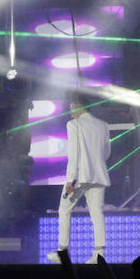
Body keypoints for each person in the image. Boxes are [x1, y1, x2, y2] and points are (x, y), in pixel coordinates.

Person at [47, 90, 110, 264]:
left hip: (80, 176)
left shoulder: (73, 125)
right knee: (97, 213)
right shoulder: (103, 125)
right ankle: (99, 254)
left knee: (64, 209)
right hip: (99, 174)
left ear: (77, 106)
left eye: (71, 108)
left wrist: (70, 180)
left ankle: (62, 252)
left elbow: (73, 154)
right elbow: (106, 152)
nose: (70, 112)